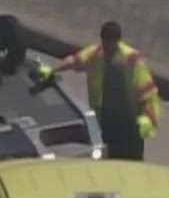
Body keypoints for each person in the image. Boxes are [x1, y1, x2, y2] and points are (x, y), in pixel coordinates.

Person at [36, 21, 160, 160]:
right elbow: (75, 60)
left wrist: (147, 118)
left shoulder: (131, 59)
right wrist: (52, 69)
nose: (107, 48)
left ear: (117, 41)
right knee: (109, 156)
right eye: (104, 43)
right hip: (105, 115)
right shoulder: (96, 53)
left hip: (130, 118)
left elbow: (147, 91)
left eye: (110, 44)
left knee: (132, 158)